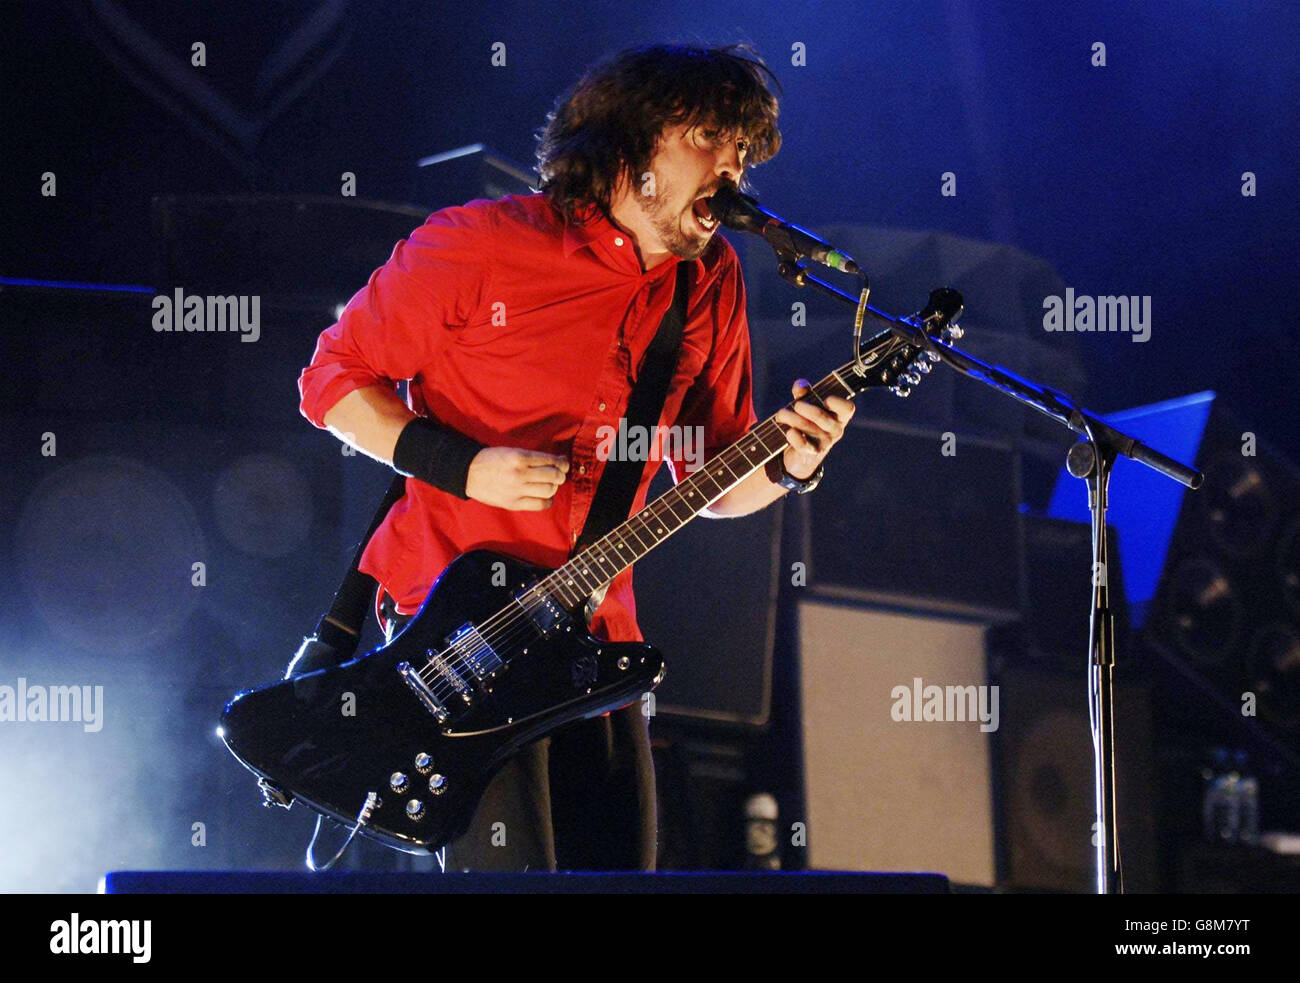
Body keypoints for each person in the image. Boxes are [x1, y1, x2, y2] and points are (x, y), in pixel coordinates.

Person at [297, 42, 854, 872]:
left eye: (741, 149)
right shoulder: (480, 243)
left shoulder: (712, 283)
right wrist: (465, 465)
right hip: (452, 632)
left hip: (596, 640)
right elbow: (330, 382)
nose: (733, 168)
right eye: (709, 137)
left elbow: (707, 482)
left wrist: (787, 465)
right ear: (630, 148)